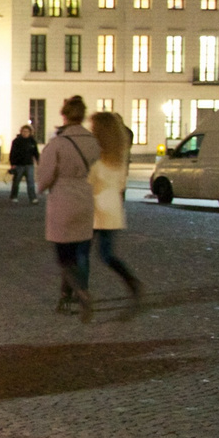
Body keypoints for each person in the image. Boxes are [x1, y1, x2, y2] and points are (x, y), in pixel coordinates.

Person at [38, 96, 98, 322]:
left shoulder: (58, 143)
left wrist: (43, 186)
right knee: (80, 252)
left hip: (63, 200)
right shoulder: (93, 142)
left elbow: (44, 178)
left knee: (64, 257)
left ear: (64, 115)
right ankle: (67, 297)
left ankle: (80, 293)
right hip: (86, 198)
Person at [89, 111, 143, 299]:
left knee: (80, 252)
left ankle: (74, 292)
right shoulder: (118, 158)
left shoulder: (97, 158)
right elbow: (121, 184)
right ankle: (131, 281)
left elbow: (89, 183)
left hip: (95, 209)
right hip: (112, 209)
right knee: (106, 254)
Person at [8, 125, 41, 203]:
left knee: (31, 182)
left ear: (30, 132)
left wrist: (38, 161)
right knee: (16, 181)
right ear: (21, 132)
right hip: (19, 164)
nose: (25, 133)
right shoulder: (16, 141)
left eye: (27, 132)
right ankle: (14, 196)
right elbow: (12, 153)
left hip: (29, 164)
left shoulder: (32, 141)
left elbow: (35, 153)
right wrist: (13, 163)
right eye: (23, 131)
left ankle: (33, 198)